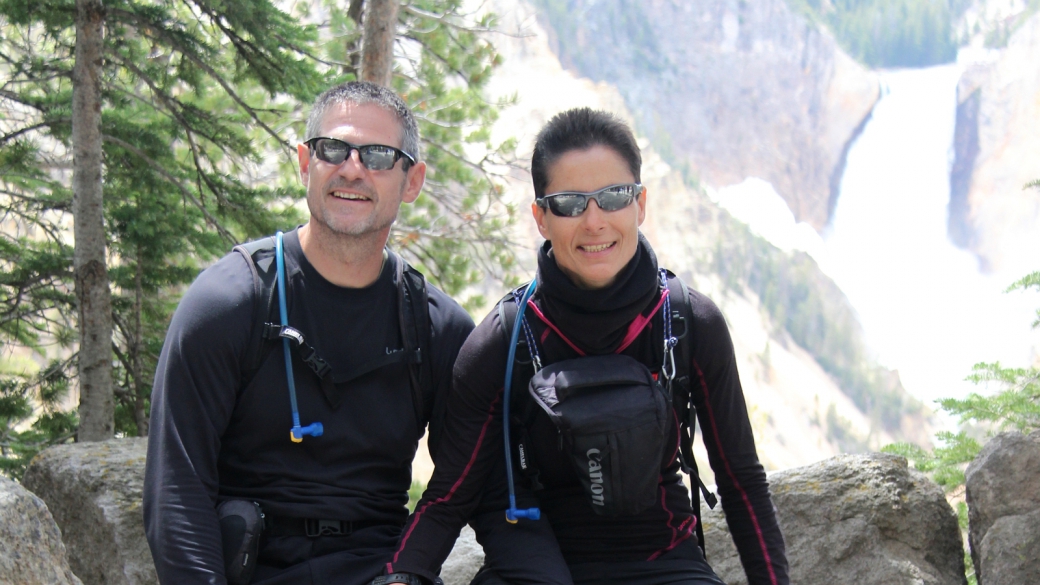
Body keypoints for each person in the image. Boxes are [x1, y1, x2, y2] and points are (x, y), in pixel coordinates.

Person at [382, 108, 789, 585]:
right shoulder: (505, 339)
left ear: (640, 204)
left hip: (665, 565)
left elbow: (740, 480)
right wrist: (400, 577)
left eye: (614, 197)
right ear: (540, 217)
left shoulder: (687, 323)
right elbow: (451, 495)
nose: (595, 222)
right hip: (535, 570)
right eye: (570, 203)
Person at [143, 81, 477, 585]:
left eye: (380, 155)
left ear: (413, 181)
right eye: (333, 149)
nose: (352, 168)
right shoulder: (228, 303)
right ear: (305, 162)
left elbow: (465, 482)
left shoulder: (436, 328)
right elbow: (177, 490)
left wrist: (411, 570)